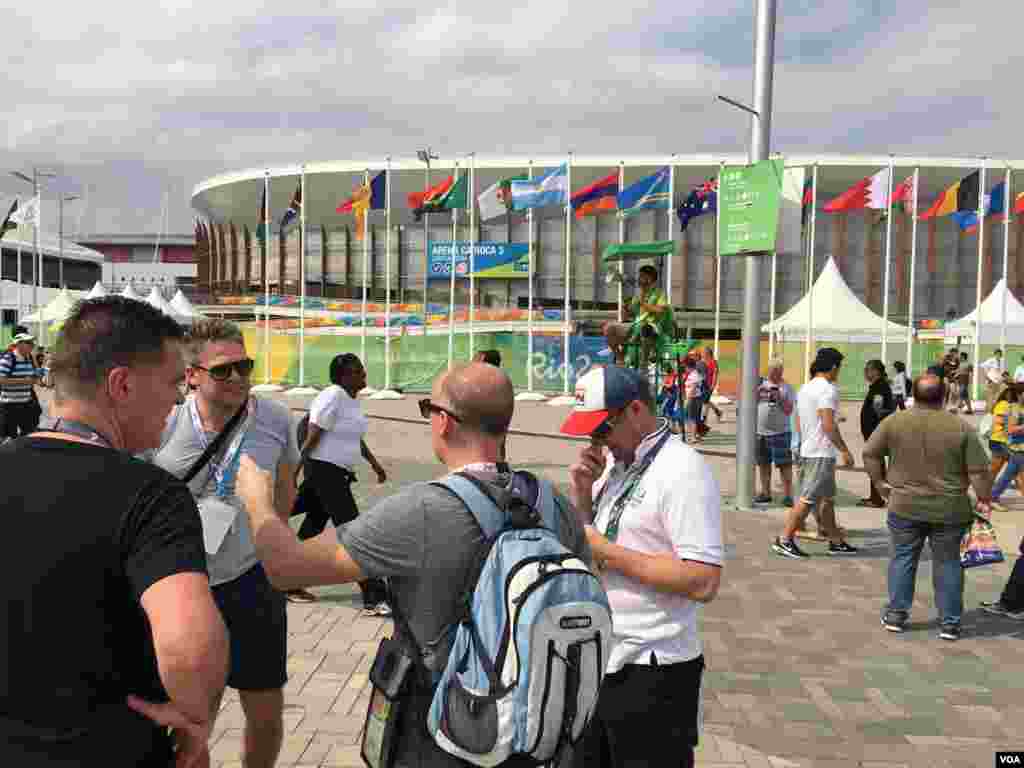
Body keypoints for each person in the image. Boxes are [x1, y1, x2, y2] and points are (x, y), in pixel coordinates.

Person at [232, 362, 592, 768]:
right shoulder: (553, 503)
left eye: (428, 409)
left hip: (443, 729)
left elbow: (286, 567)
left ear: (444, 422)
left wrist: (257, 501)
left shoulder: (423, 510)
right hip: (531, 724)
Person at [0, 296, 229, 767]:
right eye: (171, 383)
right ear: (121, 385)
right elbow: (190, 650)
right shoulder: (151, 497)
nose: (178, 399)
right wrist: (194, 717)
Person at [152, 318, 299, 768]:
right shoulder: (165, 421)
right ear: (191, 374)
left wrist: (269, 535)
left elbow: (287, 487)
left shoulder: (273, 418)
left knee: (266, 711)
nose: (238, 378)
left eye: (244, 367)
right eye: (223, 370)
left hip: (252, 579)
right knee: (194, 717)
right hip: (183, 585)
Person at [563, 365, 723, 768]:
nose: (596, 441)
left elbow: (703, 580)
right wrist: (584, 496)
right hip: (600, 658)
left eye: (603, 429)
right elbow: (590, 545)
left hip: (652, 670)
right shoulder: (614, 469)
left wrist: (608, 552)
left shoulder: (681, 469)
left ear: (635, 410)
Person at [863, 374, 993, 641]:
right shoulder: (960, 427)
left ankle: (897, 615)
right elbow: (979, 471)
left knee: (903, 558)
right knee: (948, 563)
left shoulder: (894, 422)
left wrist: (880, 484)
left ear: (914, 394)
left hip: (904, 505)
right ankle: (950, 623)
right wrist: (984, 498)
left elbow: (870, 452)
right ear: (944, 395)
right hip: (950, 509)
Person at [291, 353, 389, 613]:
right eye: (358, 371)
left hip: (336, 472)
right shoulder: (333, 395)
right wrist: (294, 470)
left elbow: (353, 438)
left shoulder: (349, 400)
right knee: (352, 531)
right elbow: (312, 436)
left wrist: (374, 463)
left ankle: (287, 577)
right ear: (344, 376)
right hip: (325, 472)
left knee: (311, 526)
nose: (364, 375)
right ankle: (372, 594)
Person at [772, 348, 858, 559]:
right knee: (808, 498)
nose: (839, 372)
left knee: (827, 500)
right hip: (820, 452)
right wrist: (845, 450)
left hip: (809, 449)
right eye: (840, 368)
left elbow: (799, 422)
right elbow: (828, 424)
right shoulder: (827, 390)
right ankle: (784, 539)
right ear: (834, 367)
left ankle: (835, 541)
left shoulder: (805, 388)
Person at [603, 264, 673, 366]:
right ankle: (620, 358)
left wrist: (642, 303)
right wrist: (625, 307)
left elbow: (660, 310)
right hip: (635, 327)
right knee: (609, 328)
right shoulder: (638, 294)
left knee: (645, 328)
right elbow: (626, 317)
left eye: (641, 276)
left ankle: (644, 362)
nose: (638, 279)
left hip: (653, 327)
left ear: (649, 278)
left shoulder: (659, 293)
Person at [754, 358, 796, 507]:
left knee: (785, 465)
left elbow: (789, 410)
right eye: (771, 370)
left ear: (781, 372)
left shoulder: (787, 388)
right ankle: (766, 493)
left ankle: (788, 495)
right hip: (760, 433)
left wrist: (779, 398)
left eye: (777, 371)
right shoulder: (760, 385)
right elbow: (748, 403)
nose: (773, 373)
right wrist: (757, 394)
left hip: (781, 433)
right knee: (763, 464)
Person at [858, 359, 895, 508]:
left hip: (876, 432)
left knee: (875, 465)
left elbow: (879, 407)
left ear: (876, 371)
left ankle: (878, 498)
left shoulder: (879, 387)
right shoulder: (878, 386)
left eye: (868, 370)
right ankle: (877, 497)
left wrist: (878, 413)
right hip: (874, 432)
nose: (865, 373)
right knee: (877, 464)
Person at [0, 332, 42, 440]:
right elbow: (1, 380)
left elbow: (33, 377)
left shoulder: (28, 358)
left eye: (32, 342)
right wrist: (24, 381)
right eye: (28, 342)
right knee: (9, 438)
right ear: (18, 344)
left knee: (28, 435)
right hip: (10, 405)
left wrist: (38, 376)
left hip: (26, 403)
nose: (32, 345)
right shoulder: (8, 359)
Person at [682, 355, 703, 444]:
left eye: (685, 367)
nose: (685, 369)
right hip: (695, 398)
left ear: (688, 366)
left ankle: (692, 436)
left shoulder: (694, 375)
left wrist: (687, 399)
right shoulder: (694, 374)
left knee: (691, 418)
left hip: (693, 398)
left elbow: (693, 388)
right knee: (692, 417)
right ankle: (693, 435)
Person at [701, 346, 723, 423]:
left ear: (708, 353)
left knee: (705, 402)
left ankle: (704, 420)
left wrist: (713, 385)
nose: (702, 354)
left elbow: (715, 374)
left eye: (704, 353)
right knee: (704, 400)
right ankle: (718, 412)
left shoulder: (713, 362)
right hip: (702, 384)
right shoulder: (703, 361)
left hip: (709, 385)